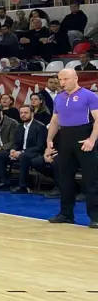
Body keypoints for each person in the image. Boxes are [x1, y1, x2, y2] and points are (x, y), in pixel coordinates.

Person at [44, 67, 98, 226]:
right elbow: (55, 120)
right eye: (60, 80)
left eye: (65, 79)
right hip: (65, 138)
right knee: (65, 178)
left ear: (76, 78)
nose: (62, 83)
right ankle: (66, 214)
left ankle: (95, 217)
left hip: (84, 137)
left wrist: (91, 140)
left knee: (90, 179)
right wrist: (49, 140)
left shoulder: (89, 95)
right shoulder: (59, 98)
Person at [0, 104, 49, 192]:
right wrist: (13, 150)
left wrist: (21, 152)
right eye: (21, 113)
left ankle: (23, 186)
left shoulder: (40, 127)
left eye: (25, 113)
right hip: (21, 152)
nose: (23, 115)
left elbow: (40, 146)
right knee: (0, 155)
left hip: (34, 153)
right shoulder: (20, 126)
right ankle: (4, 182)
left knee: (23, 156)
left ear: (32, 114)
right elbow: (16, 143)